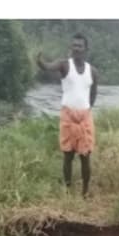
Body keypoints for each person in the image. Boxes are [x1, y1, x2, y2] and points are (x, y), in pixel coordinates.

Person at [37, 33, 98, 198]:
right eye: (74, 45)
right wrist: (39, 61)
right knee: (68, 155)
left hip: (85, 117)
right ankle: (68, 191)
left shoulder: (92, 71)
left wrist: (86, 110)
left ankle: (85, 192)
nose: (76, 48)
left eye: (80, 46)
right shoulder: (64, 65)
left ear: (86, 49)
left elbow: (93, 94)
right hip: (68, 117)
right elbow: (48, 67)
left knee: (85, 156)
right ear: (71, 47)